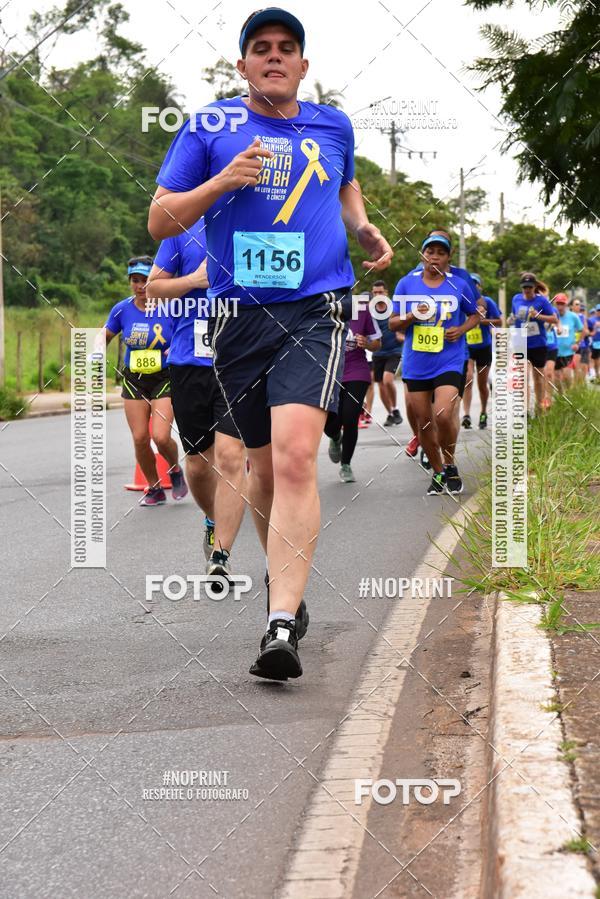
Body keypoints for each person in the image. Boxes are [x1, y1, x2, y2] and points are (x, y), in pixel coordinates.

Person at [149, 8, 393, 681]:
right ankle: (288, 587)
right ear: (244, 65)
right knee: (260, 468)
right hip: (237, 316)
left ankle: (279, 622)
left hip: (315, 308)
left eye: (288, 48)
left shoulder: (333, 123)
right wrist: (224, 181)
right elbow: (159, 217)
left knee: (292, 456)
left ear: (304, 65)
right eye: (262, 49)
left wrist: (363, 226)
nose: (275, 57)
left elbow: (344, 179)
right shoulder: (210, 126)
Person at [146, 217, 246, 571]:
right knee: (199, 465)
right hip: (190, 362)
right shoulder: (180, 231)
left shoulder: (253, 224)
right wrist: (194, 281)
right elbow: (153, 288)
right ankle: (212, 519)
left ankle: (221, 554)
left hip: (239, 359)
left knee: (233, 457)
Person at [389, 234, 479, 495]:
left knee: (442, 413)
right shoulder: (407, 284)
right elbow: (393, 322)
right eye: (430, 252)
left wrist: (460, 329)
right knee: (424, 421)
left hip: (449, 360)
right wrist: (411, 315)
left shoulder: (459, 285)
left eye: (441, 252)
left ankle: (450, 463)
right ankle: (438, 473)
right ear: (423, 256)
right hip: (417, 362)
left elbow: (475, 314)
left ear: (448, 257)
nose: (435, 257)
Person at [104, 257, 186, 506]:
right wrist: (94, 352)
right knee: (140, 437)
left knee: (160, 437)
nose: (140, 286)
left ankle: (174, 469)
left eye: (145, 280)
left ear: (154, 280)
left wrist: (175, 349)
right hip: (134, 379)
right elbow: (105, 334)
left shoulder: (171, 307)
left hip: (163, 378)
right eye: (135, 281)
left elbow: (185, 333)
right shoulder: (121, 309)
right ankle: (154, 488)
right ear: (130, 282)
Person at [325, 300, 381, 482]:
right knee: (329, 422)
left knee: (350, 417)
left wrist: (367, 343)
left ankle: (346, 464)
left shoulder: (362, 309)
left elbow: (377, 343)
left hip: (357, 370)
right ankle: (334, 436)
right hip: (329, 370)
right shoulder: (321, 306)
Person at [509, 272, 558, 411]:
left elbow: (554, 319)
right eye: (524, 287)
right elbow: (514, 316)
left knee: (538, 378)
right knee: (523, 376)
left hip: (538, 344)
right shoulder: (516, 299)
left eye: (530, 287)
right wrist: (511, 320)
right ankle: (524, 411)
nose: (527, 290)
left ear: (534, 286)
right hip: (521, 343)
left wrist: (538, 315)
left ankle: (539, 406)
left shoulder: (541, 301)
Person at [460, 273, 502, 430]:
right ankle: (466, 414)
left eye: (476, 284)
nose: (473, 286)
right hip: (468, 346)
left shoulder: (487, 302)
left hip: (484, 347)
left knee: (482, 383)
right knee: (468, 379)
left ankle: (483, 412)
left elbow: (499, 321)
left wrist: (481, 320)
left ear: (479, 286)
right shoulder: (462, 301)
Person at [370, 280, 404, 426]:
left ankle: (395, 409)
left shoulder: (394, 308)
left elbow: (405, 322)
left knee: (388, 379)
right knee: (381, 384)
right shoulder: (370, 310)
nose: (378, 295)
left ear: (386, 293)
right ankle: (390, 413)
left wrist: (402, 334)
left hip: (394, 350)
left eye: (380, 292)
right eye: (375, 293)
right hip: (378, 352)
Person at [554, 294, 582, 391]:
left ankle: (570, 394)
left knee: (566, 376)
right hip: (554, 351)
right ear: (555, 304)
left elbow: (581, 330)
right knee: (556, 378)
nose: (560, 306)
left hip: (568, 351)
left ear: (566, 305)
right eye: (558, 304)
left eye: (562, 304)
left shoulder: (573, 316)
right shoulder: (552, 316)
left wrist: (577, 343)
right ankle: (561, 397)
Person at [590, 304, 600, 382]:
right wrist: (595, 327)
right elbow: (588, 332)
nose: (599, 312)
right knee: (596, 360)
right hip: (595, 342)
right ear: (596, 311)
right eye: (598, 310)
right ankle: (597, 375)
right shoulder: (591, 320)